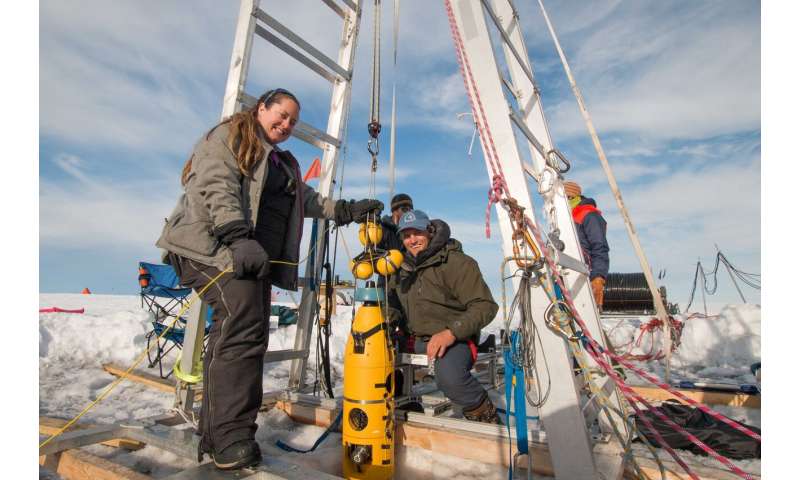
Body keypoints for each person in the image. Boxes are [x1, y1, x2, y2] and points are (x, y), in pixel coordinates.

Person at [156, 88, 382, 470]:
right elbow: (216, 184)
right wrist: (237, 236)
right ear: (261, 108)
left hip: (249, 259)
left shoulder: (282, 162)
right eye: (281, 115)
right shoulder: (230, 136)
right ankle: (230, 437)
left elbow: (306, 200)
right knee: (242, 328)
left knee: (246, 334)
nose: (286, 125)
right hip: (213, 248)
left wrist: (345, 210)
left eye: (293, 121)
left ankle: (219, 434)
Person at [386, 210, 500, 423]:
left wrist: (451, 333)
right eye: (406, 235)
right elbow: (393, 305)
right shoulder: (401, 268)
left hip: (454, 338)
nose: (412, 240)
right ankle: (402, 401)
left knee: (451, 379)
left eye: (417, 233)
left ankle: (486, 418)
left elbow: (485, 306)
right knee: (369, 356)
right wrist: (388, 325)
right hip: (415, 338)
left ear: (429, 231)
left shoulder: (457, 263)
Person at [563, 181, 609, 310]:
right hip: (566, 273)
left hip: (583, 273)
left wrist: (598, 276)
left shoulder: (589, 215)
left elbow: (599, 246)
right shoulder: (565, 218)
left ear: (571, 197)